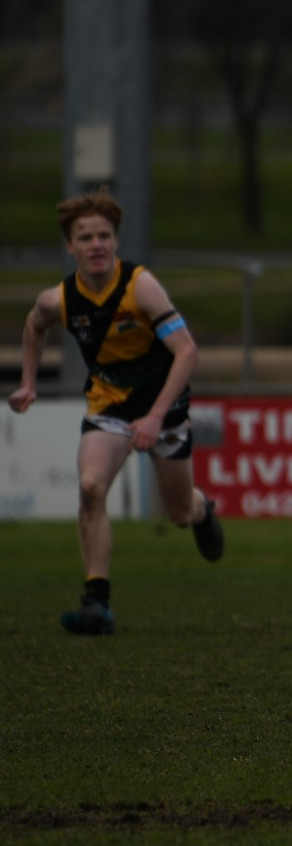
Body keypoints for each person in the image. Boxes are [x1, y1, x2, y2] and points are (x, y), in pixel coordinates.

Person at [8, 190, 224, 635]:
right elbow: (34, 324)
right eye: (85, 237)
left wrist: (155, 415)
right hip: (109, 406)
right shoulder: (58, 299)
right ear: (70, 246)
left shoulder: (140, 286)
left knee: (178, 513)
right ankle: (96, 602)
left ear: (116, 241)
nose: (96, 244)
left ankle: (203, 510)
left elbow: (186, 352)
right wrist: (28, 381)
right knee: (90, 487)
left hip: (164, 407)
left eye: (104, 235)